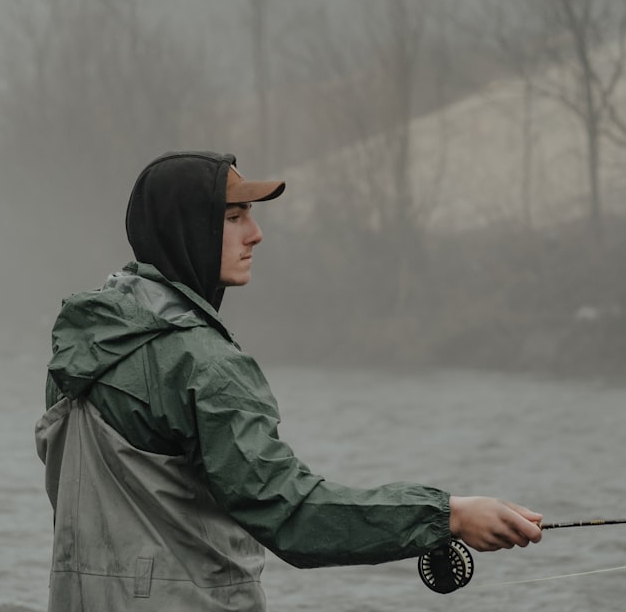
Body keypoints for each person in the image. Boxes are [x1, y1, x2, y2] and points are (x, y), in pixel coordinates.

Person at [36, 150, 542, 611]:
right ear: (187, 230)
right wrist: (446, 516)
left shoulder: (80, 347)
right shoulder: (202, 362)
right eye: (234, 218)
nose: (255, 234)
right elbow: (290, 514)